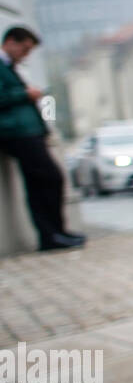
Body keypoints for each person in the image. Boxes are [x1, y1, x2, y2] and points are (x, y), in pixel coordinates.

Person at [0, 27, 84, 251]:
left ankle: (55, 233)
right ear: (10, 42)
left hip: (27, 132)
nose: (25, 55)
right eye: (24, 49)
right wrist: (25, 94)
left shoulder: (11, 67)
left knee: (44, 182)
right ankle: (51, 235)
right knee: (49, 178)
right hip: (17, 134)